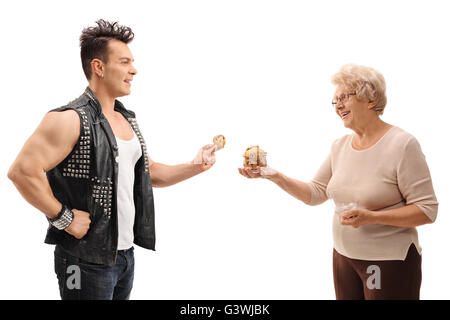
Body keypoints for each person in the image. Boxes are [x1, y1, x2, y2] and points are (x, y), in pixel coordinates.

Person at [7, 19, 217, 300]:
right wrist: (64, 218)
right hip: (83, 259)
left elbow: (150, 173)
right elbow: (22, 172)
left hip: (124, 257)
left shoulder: (126, 119)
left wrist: (195, 167)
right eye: (125, 62)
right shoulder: (69, 119)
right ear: (99, 67)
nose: (134, 70)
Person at [238, 64, 438, 300]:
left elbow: (427, 211)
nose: (338, 106)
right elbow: (315, 193)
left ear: (371, 99)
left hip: (388, 261)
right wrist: (275, 176)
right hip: (344, 257)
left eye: (344, 97)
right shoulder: (340, 146)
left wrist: (371, 218)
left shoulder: (402, 145)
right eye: (335, 101)